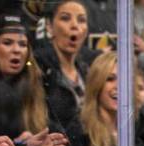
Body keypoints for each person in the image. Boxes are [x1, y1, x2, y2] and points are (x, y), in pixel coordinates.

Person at [0, 14, 68, 146]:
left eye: (23, 44)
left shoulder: (38, 86)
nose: (17, 50)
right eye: (7, 43)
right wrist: (19, 144)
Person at [35, 0, 101, 135]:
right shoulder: (38, 67)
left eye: (81, 20)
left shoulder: (88, 68)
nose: (75, 26)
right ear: (49, 27)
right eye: (65, 18)